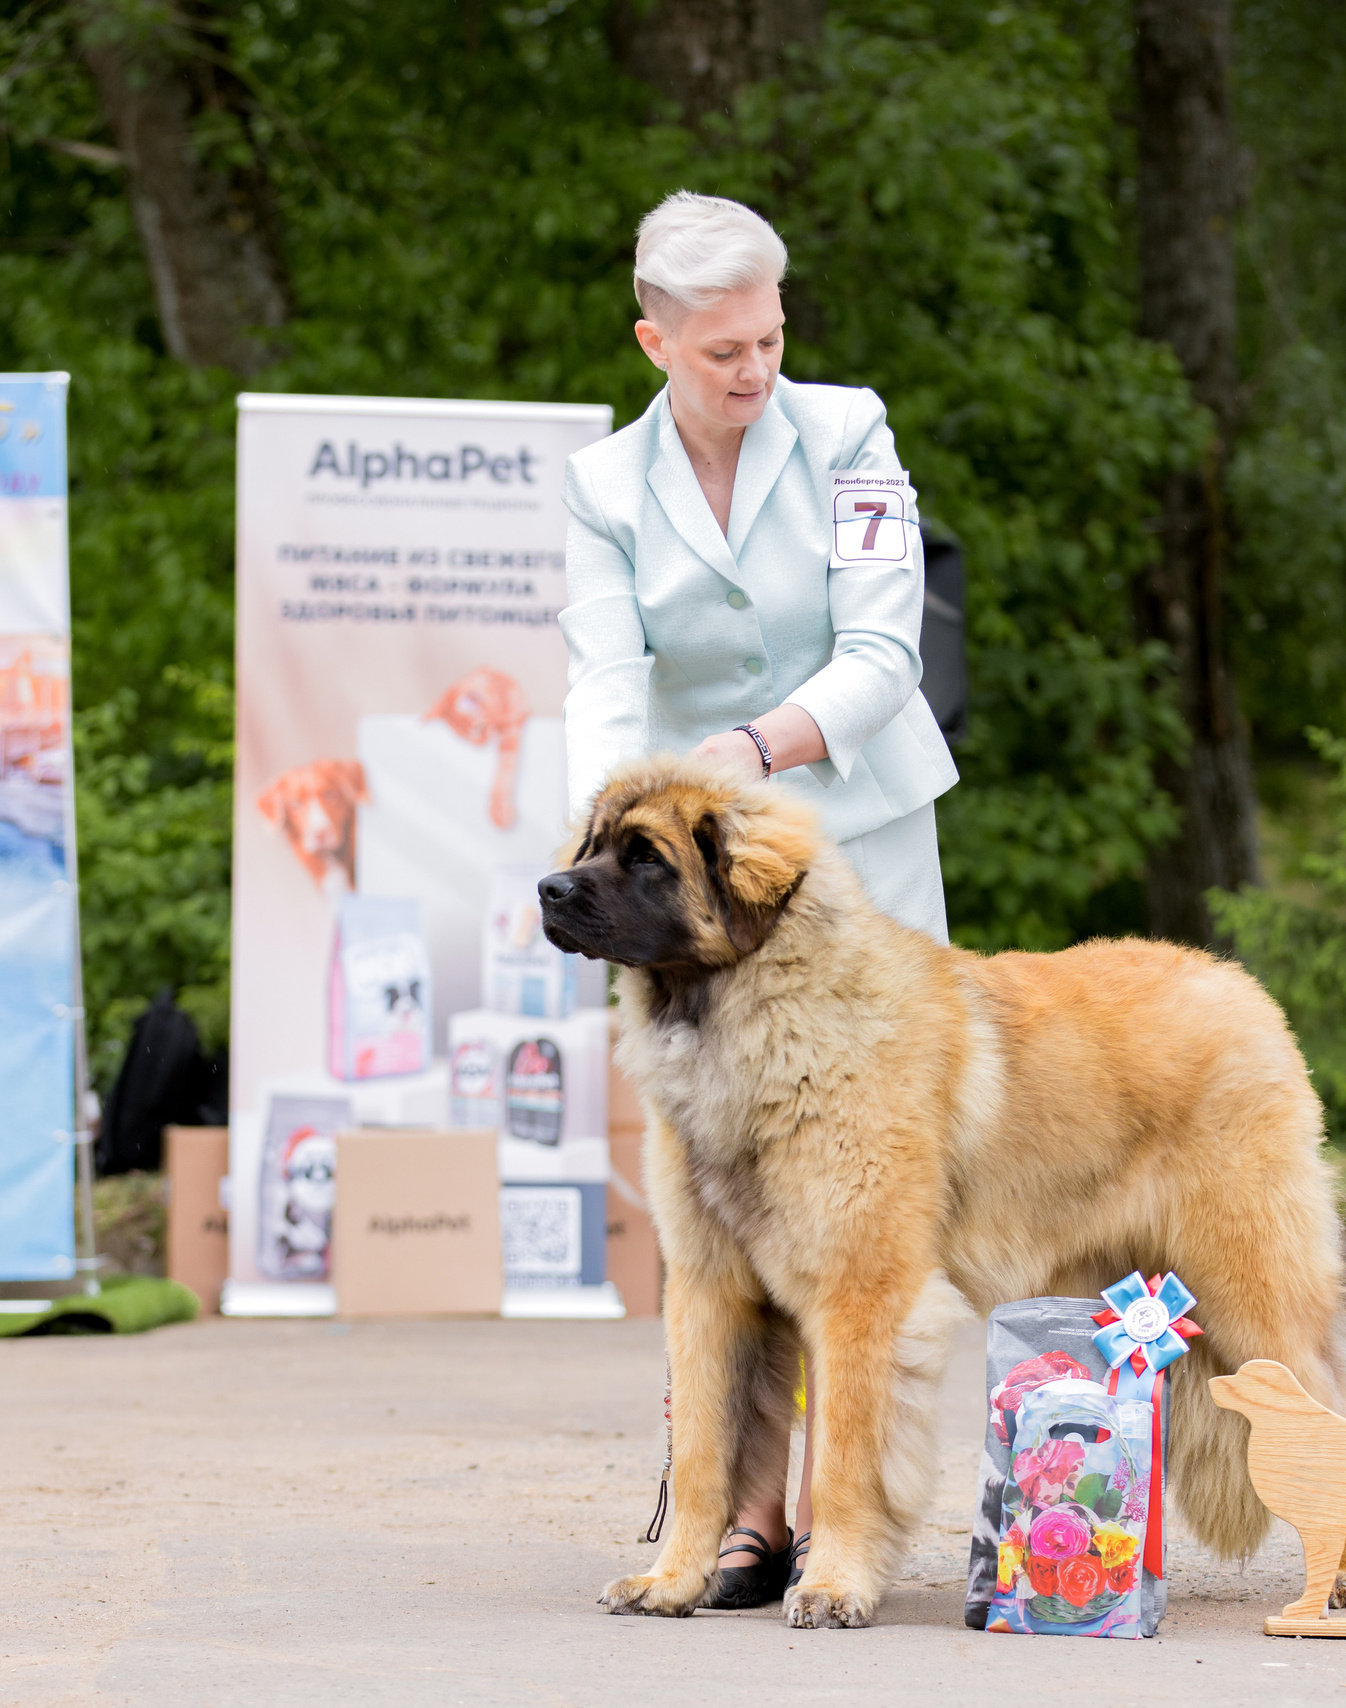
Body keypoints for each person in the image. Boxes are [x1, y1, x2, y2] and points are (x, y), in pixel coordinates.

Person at [558, 191, 959, 1605]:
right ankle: (739, 1510)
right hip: (689, 887)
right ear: (654, 340)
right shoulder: (602, 489)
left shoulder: (849, 431)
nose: (756, 371)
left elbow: (881, 649)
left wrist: (747, 757)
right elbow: (604, 686)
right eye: (723, 349)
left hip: (856, 852)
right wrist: (610, 832)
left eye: (772, 337)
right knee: (717, 1211)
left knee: (852, 1213)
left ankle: (850, 1509)